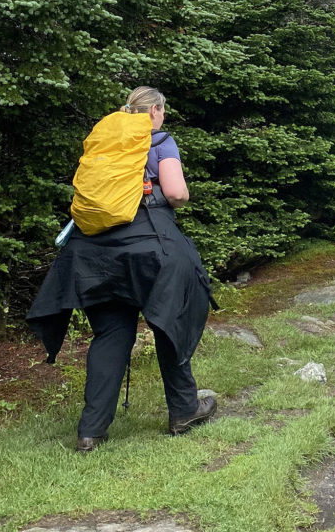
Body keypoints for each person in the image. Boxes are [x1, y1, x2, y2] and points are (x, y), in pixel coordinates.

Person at [27, 87, 217, 452]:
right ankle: (184, 410)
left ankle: (90, 431)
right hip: (150, 247)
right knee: (168, 322)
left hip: (93, 251)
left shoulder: (103, 141)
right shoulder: (160, 139)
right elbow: (177, 192)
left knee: (111, 333)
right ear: (156, 110)